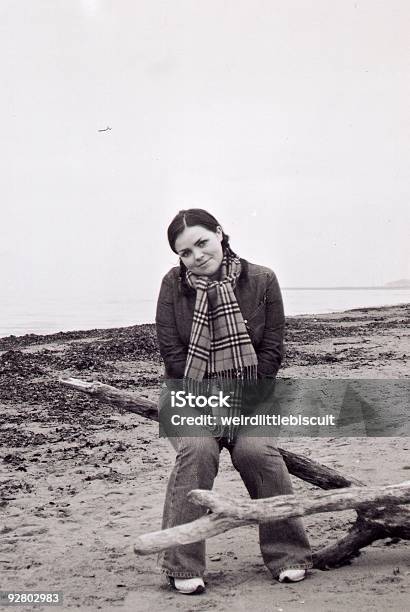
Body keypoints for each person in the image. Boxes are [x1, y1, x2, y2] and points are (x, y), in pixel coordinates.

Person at [155, 208, 312, 595]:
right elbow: (173, 356)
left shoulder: (262, 279)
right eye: (185, 252)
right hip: (188, 395)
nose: (196, 256)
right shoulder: (172, 285)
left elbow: (272, 351)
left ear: (220, 234)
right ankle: (181, 563)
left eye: (201, 243)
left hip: (252, 394)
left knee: (256, 452)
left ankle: (288, 554)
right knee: (198, 451)